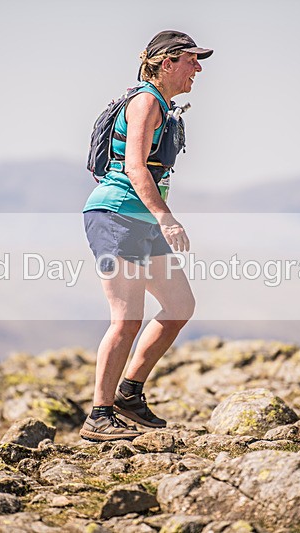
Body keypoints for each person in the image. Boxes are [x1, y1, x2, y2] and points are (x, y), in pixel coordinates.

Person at [80, 30, 213, 441]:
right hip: (117, 217)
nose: (198, 67)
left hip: (142, 221)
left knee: (178, 306)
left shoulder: (163, 105)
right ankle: (98, 416)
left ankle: (129, 393)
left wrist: (157, 218)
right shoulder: (145, 101)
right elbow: (135, 167)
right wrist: (166, 217)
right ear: (167, 62)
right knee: (126, 319)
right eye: (192, 59)